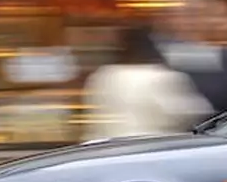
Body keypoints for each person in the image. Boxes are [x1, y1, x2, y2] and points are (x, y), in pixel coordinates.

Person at [83, 23, 213, 141]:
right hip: (149, 146)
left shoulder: (103, 75)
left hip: (104, 146)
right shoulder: (161, 76)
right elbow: (190, 112)